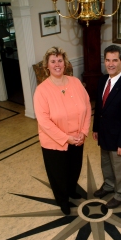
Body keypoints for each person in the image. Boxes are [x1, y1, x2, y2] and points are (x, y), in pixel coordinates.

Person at [34, 47, 91, 215]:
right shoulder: (42, 91)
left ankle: (72, 190)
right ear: (47, 65)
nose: (57, 64)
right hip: (55, 142)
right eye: (53, 61)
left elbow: (87, 106)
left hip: (78, 138)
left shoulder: (76, 82)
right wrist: (67, 138)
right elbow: (44, 122)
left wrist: (84, 132)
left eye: (60, 60)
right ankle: (62, 200)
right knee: (58, 174)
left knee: (74, 168)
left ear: (65, 63)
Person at [92, 44, 121, 209]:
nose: (110, 64)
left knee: (120, 169)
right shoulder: (102, 80)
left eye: (114, 60)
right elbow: (99, 107)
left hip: (119, 137)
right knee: (106, 164)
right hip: (104, 133)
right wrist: (95, 128)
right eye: (107, 60)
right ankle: (108, 186)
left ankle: (120, 194)